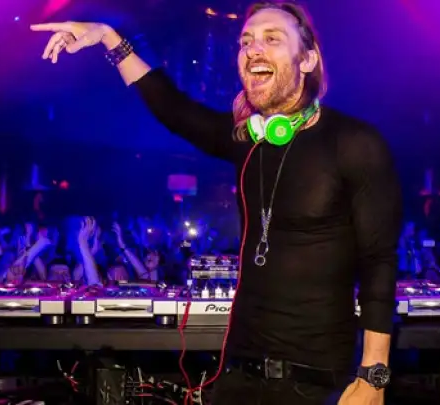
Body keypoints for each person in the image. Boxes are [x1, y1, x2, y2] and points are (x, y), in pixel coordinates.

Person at [31, 2, 401, 404]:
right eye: (246, 41)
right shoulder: (248, 139)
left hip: (321, 382)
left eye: (272, 39)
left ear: (308, 59)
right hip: (240, 373)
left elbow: (378, 262)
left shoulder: (355, 143)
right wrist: (109, 37)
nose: (253, 49)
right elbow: (173, 108)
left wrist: (374, 377)